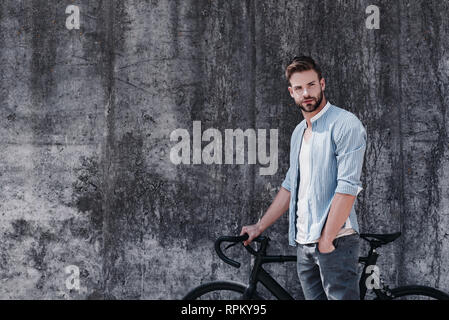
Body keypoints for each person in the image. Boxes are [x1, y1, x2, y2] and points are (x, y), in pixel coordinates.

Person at [240, 56, 367, 300]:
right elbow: (290, 185)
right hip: (304, 243)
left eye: (311, 85)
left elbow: (348, 187)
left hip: (335, 242)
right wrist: (259, 226)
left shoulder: (345, 124)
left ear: (322, 84)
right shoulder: (299, 132)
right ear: (291, 92)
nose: (306, 93)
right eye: (299, 88)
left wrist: (327, 241)